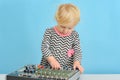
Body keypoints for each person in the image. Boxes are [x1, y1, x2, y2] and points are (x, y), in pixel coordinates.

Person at [40, 3, 84, 73]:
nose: (65, 31)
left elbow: (77, 50)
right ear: (57, 20)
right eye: (63, 26)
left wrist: (77, 63)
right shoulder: (49, 32)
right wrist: (52, 61)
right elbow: (44, 47)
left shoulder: (74, 35)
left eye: (70, 28)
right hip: (49, 68)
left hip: (67, 70)